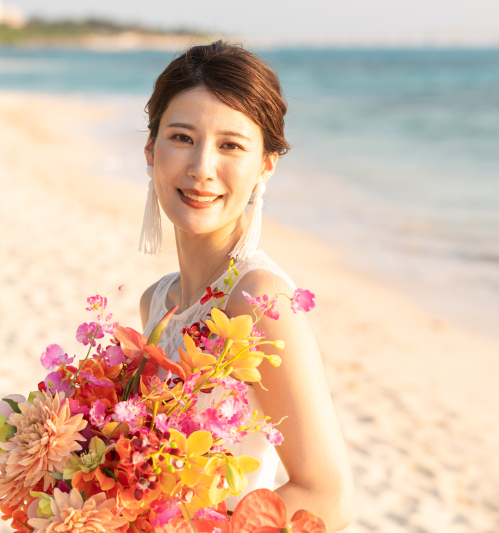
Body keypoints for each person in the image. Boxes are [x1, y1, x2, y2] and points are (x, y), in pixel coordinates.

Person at [137, 41, 353, 531]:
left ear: (265, 166)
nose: (201, 168)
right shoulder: (157, 301)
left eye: (231, 145)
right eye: (181, 137)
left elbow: (328, 497)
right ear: (150, 151)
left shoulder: (260, 299)